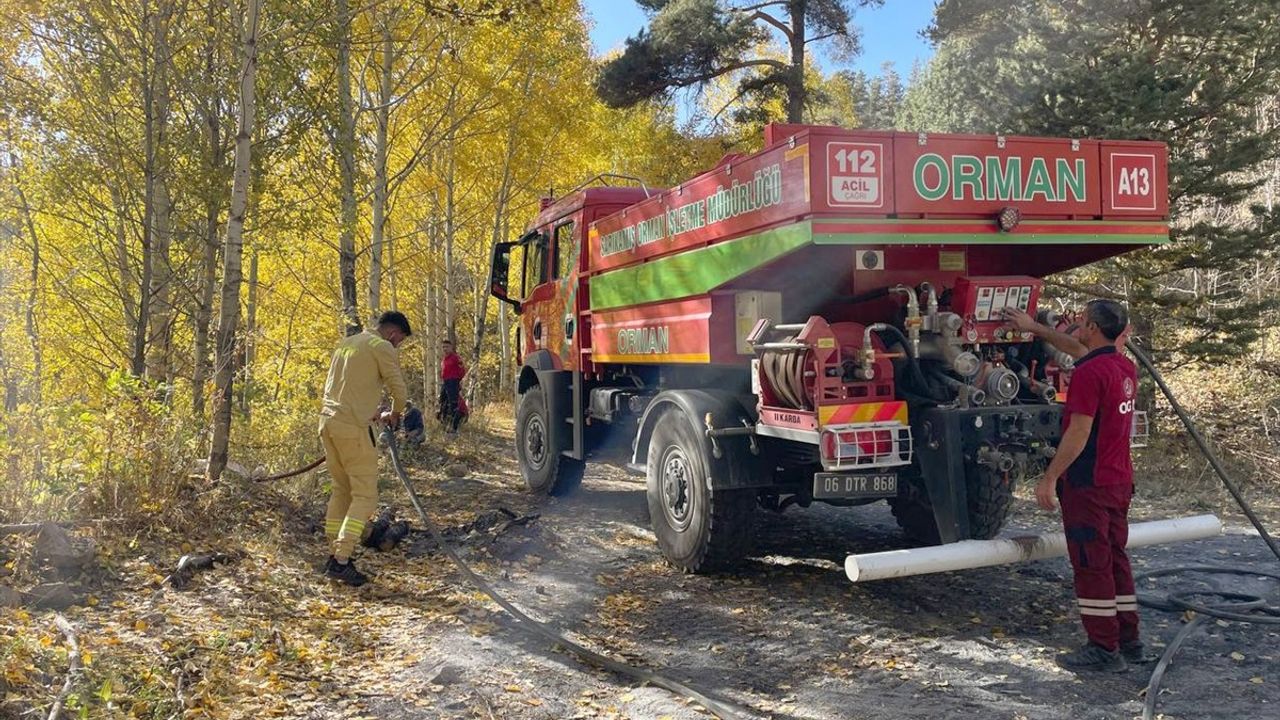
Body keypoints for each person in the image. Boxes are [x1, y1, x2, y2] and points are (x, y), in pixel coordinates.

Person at [1003, 302, 1151, 672]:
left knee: (1091, 564)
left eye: (1082, 322)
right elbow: (1080, 351)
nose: (1076, 326)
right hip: (1118, 481)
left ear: (1094, 327)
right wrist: (1034, 328)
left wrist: (1050, 477)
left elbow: (1079, 432)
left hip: (1089, 484)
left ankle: (1103, 648)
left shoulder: (1088, 374)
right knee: (1116, 559)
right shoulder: (1123, 366)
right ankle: (1129, 641)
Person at [317, 311, 411, 586]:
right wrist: (394, 414)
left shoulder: (346, 343)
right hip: (354, 429)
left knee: (342, 491)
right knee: (365, 497)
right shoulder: (381, 346)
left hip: (328, 423)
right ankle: (341, 560)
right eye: (400, 341)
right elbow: (399, 391)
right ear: (394, 334)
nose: (398, 347)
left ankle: (333, 551)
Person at [438, 338, 467, 434]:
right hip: (445, 382)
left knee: (453, 403)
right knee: (443, 401)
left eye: (447, 347)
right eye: (443, 347)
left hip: (453, 381)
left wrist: (457, 380)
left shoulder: (455, 358)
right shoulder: (444, 359)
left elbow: (462, 369)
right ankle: (444, 423)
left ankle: (455, 428)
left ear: (451, 347)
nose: (445, 349)